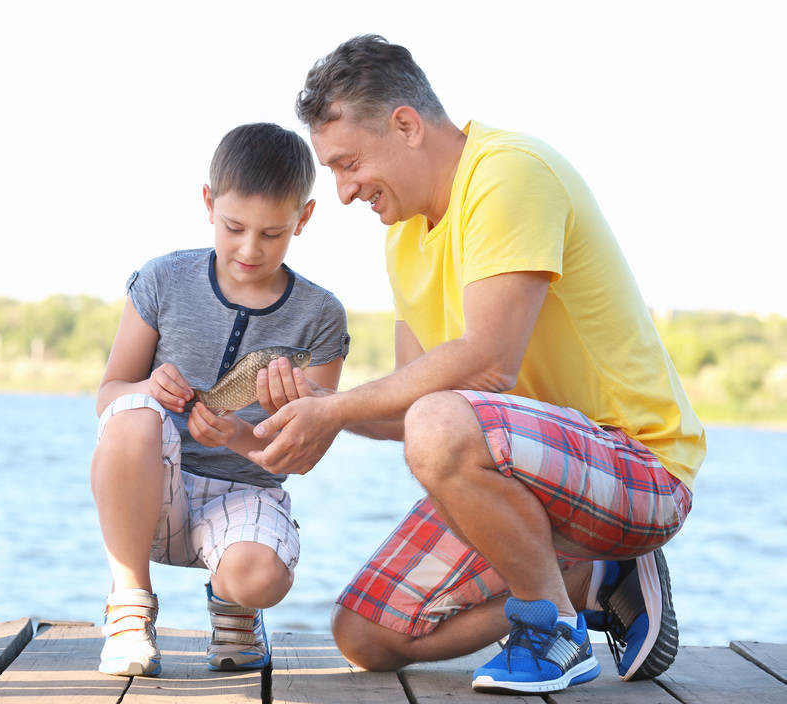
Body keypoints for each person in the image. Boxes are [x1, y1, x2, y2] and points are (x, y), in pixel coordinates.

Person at [246, 35, 705, 694]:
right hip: (534, 481)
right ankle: (588, 579)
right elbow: (409, 415)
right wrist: (311, 413)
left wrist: (336, 408)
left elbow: (485, 362)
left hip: (638, 465)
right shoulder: (403, 238)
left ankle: (552, 632)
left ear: (404, 125)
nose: (343, 192)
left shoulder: (507, 172)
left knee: (441, 421)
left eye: (347, 164)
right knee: (364, 635)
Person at [90, 122, 349, 677]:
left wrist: (235, 433)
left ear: (304, 219)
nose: (250, 249)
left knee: (256, 577)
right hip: (153, 489)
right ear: (209, 204)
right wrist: (147, 390)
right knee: (132, 418)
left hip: (248, 489)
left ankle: (235, 607)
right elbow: (109, 396)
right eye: (234, 227)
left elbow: (303, 457)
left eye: (272, 234)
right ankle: (130, 605)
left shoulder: (321, 316)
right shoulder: (162, 279)